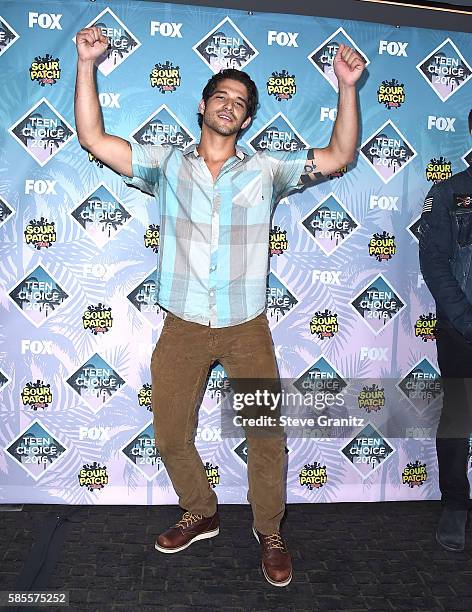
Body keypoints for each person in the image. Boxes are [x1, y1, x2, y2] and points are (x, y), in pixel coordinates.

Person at [74, 26, 365, 586]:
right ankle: (202, 511)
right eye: (222, 97)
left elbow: (340, 154)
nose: (230, 107)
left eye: (241, 103)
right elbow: (93, 137)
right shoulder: (166, 166)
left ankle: (269, 530)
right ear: (203, 106)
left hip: (245, 326)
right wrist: (87, 62)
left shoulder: (267, 171)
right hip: (182, 323)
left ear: (247, 119)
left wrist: (346, 87)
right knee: (169, 434)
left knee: (264, 435)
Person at [419, 109, 472, 552]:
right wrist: (466, 320)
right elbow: (435, 263)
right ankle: (456, 504)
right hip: (461, 329)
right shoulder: (450, 192)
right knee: (459, 416)